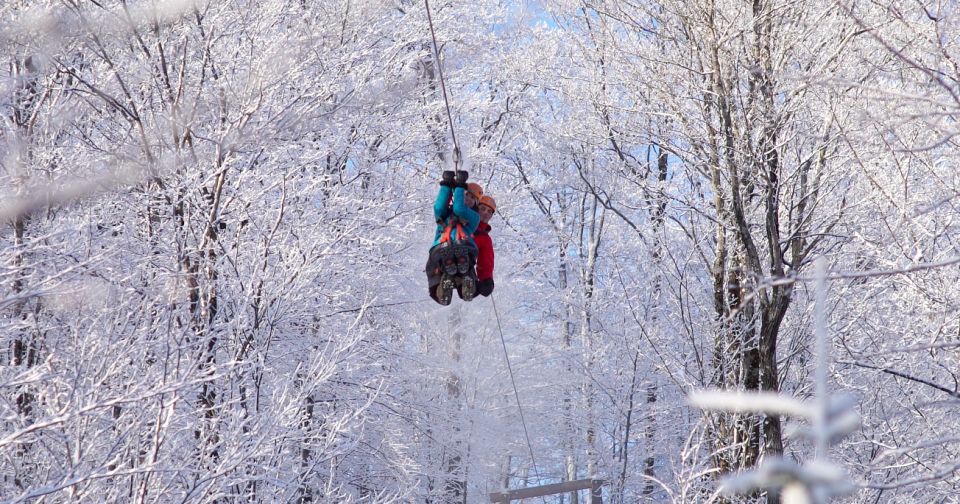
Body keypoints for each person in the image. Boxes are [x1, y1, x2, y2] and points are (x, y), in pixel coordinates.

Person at [426, 171, 481, 305]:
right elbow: (438, 207)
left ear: (476, 203)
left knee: (464, 264)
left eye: (472, 198)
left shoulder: (474, 217)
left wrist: (460, 186)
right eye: (466, 195)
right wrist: (446, 185)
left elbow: (459, 208)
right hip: (442, 246)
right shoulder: (445, 215)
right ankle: (447, 281)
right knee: (446, 265)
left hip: (464, 245)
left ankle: (465, 279)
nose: (468, 198)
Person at [473, 194, 496, 297]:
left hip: (464, 263)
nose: (486, 213)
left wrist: (486, 279)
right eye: (483, 209)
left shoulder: (485, 239)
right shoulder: (463, 221)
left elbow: (485, 261)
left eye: (489, 211)